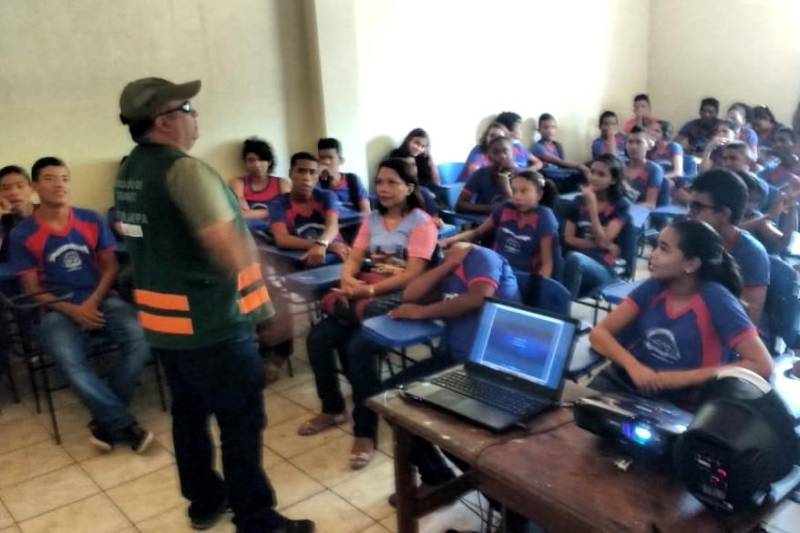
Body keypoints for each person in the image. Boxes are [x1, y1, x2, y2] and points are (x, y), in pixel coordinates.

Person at [114, 77, 314, 532]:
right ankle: (257, 519)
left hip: (165, 328)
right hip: (212, 325)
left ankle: (204, 501)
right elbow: (230, 250)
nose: (195, 114)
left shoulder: (130, 172)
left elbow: (150, 241)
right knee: (241, 422)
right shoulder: (184, 171)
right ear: (164, 120)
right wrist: (270, 308)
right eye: (188, 106)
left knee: (189, 416)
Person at [298, 157, 438, 469]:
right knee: (318, 338)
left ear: (409, 187)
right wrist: (348, 279)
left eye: (392, 182)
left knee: (357, 348)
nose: (384, 189)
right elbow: (356, 256)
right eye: (379, 182)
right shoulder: (373, 219)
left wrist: (367, 291)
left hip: (402, 298)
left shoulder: (421, 223)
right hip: (366, 294)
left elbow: (414, 274)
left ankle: (365, 431)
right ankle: (333, 408)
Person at [10, 156, 153, 452]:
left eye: (64, 178)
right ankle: (122, 422)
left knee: (141, 340)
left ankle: (105, 421)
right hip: (55, 310)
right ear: (36, 186)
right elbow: (33, 290)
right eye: (50, 178)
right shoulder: (22, 233)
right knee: (71, 364)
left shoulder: (90, 218)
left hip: (100, 297)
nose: (59, 184)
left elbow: (110, 268)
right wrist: (75, 310)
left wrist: (92, 302)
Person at [589, 219, 772, 406]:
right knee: (567, 426)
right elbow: (599, 334)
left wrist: (675, 379)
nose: (653, 255)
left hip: (683, 400)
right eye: (656, 246)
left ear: (691, 264)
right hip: (627, 382)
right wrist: (635, 367)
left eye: (664, 249)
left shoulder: (716, 298)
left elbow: (761, 365)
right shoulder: (654, 286)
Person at [688, 169, 770, 326]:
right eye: (690, 205)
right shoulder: (691, 236)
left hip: (730, 330)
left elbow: (749, 318)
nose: (689, 213)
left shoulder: (752, 254)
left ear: (724, 214)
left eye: (697, 207)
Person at [441, 170, 559, 277]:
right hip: (494, 269)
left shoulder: (545, 218)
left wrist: (537, 291)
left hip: (523, 277)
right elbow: (476, 232)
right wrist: (446, 242)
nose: (517, 197)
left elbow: (547, 264)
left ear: (539, 195)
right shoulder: (506, 208)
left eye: (524, 191)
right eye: (514, 191)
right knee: (456, 253)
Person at [563, 154, 631, 298]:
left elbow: (604, 241)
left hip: (605, 268)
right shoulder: (577, 201)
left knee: (575, 259)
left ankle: (562, 314)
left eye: (601, 174)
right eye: (592, 172)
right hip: (576, 262)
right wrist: (601, 244)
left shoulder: (620, 205)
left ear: (613, 180)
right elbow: (569, 239)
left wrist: (592, 207)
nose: (593, 177)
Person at [268, 152, 350, 267]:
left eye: (312, 172)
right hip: (306, 262)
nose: (306, 177)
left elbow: (333, 227)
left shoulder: (327, 196)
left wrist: (322, 244)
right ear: (291, 174)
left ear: (317, 177)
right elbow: (282, 239)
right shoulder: (278, 203)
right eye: (301, 171)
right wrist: (326, 246)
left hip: (340, 256)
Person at [230, 137, 290, 221]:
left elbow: (289, 211)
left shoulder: (282, 183)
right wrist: (274, 211)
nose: (257, 164)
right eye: (251, 160)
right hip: (251, 231)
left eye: (262, 159)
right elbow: (242, 214)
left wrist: (253, 213)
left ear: (269, 161)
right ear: (245, 162)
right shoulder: (239, 183)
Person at [738, 171, 796, 255]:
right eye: (748, 199)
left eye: (756, 201)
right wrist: (769, 216)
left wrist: (792, 206)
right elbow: (728, 231)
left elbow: (781, 243)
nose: (750, 205)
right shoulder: (721, 211)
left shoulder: (756, 217)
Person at [456, 136, 514, 214]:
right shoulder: (480, 174)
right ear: (489, 157)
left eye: (505, 151)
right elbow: (459, 205)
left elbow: (517, 208)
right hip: (484, 221)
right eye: (496, 152)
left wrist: (504, 182)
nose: (502, 156)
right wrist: (488, 208)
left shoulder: (522, 175)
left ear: (513, 154)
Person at [532, 113, 586, 191]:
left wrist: (578, 168)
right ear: (539, 130)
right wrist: (578, 166)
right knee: (578, 172)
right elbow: (558, 162)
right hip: (549, 175)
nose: (549, 130)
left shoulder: (557, 145)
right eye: (545, 127)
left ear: (556, 129)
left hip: (561, 173)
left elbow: (563, 164)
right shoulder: (537, 147)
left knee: (580, 173)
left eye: (553, 127)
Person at [317, 137, 370, 213]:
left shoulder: (353, 180)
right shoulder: (316, 183)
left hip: (354, 223)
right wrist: (315, 177)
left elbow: (366, 213)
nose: (326, 162)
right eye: (322, 158)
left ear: (341, 160)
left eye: (330, 157)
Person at [0, 165, 36, 262]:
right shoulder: (2, 219)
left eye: (20, 186)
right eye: (5, 188)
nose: (14, 192)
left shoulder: (47, 212)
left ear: (32, 188)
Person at [624, 126, 665, 208]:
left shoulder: (654, 170)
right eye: (630, 142)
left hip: (640, 214)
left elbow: (650, 204)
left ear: (649, 146)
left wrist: (625, 209)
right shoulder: (619, 167)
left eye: (639, 142)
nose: (633, 146)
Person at [759, 127, 800, 198]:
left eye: (782, 141)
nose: (777, 144)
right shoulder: (770, 167)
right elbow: (758, 186)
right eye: (775, 141)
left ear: (795, 145)